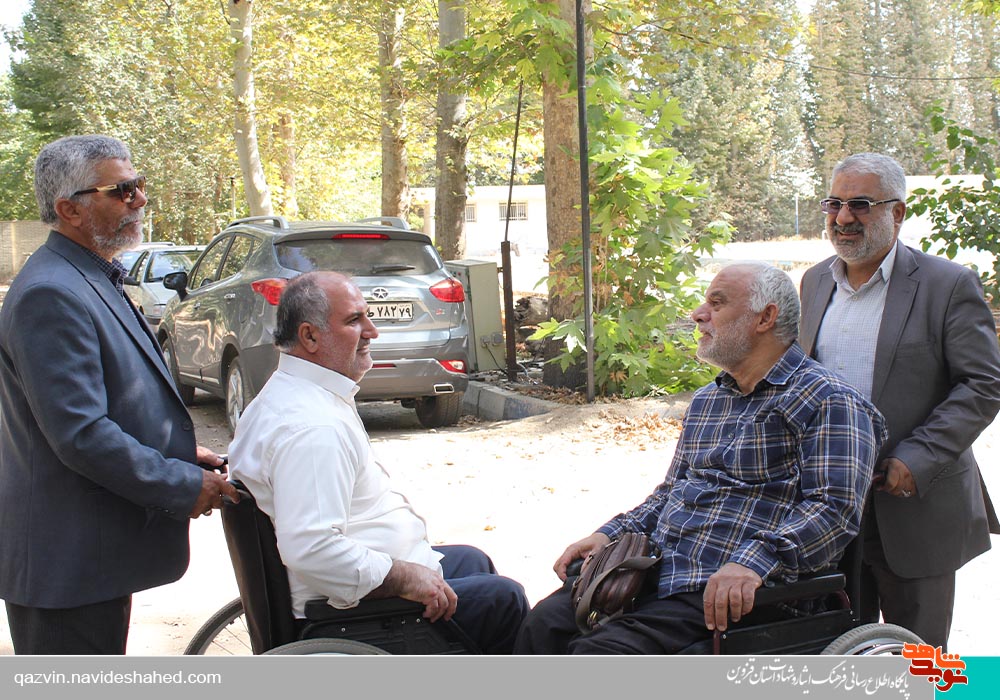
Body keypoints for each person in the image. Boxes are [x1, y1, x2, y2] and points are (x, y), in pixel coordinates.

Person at [513, 262, 887, 654]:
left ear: (765, 318)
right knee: (542, 626)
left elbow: (833, 511)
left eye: (717, 303)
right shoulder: (709, 400)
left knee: (599, 656)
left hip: (735, 592)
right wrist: (610, 533)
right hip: (657, 570)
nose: (697, 314)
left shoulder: (830, 400)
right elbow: (670, 493)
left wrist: (755, 562)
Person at [0, 135, 238, 655]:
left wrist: (176, 451)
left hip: (90, 561)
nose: (141, 199)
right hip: (66, 569)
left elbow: (109, 398)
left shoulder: (88, 275)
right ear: (69, 209)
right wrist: (178, 483)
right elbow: (80, 433)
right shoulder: (50, 292)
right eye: (123, 190)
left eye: (139, 184)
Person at [228, 271, 529, 653]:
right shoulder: (312, 427)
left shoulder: (289, 395)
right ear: (310, 336)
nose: (372, 331)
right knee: (504, 600)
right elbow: (312, 548)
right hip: (347, 614)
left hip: (355, 580)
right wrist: (404, 577)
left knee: (473, 561)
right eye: (355, 320)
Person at [799, 153, 1000, 650]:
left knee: (918, 658)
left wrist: (917, 457)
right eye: (834, 204)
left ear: (898, 213)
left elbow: (982, 383)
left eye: (860, 204)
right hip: (830, 505)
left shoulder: (947, 284)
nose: (843, 218)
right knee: (840, 651)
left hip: (915, 504)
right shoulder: (815, 282)